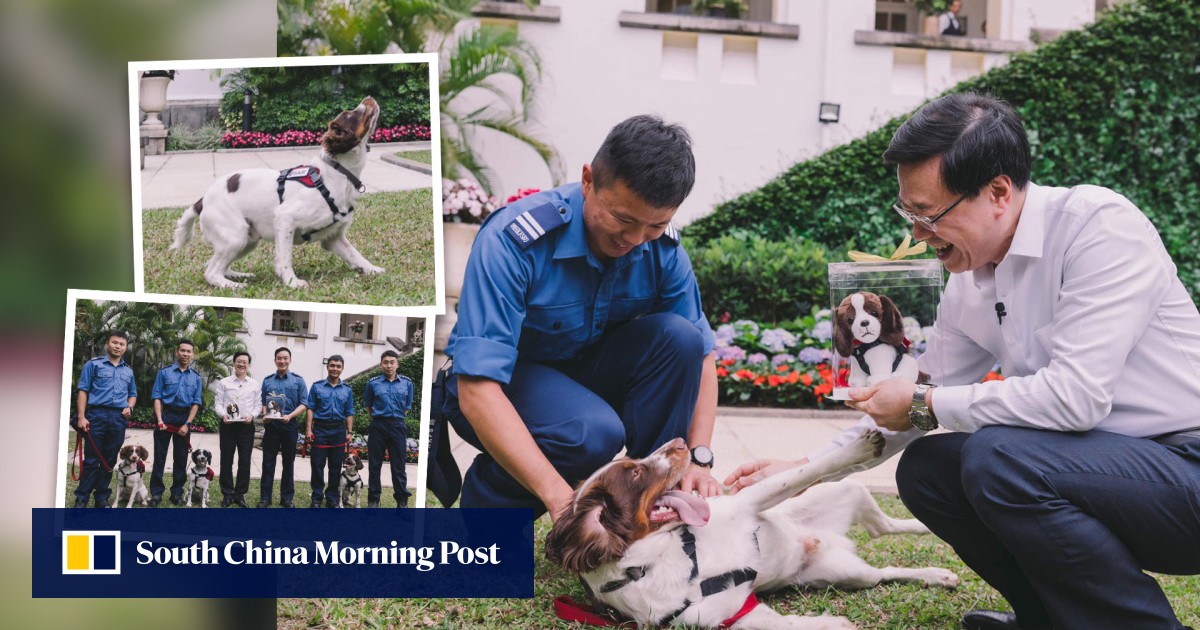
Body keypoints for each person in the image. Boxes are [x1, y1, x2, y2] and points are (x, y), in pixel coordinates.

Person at [725, 92, 1200, 630]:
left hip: (1186, 473)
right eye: (908, 213)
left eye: (928, 215)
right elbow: (920, 397)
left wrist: (925, 402)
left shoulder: (1098, 228)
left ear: (998, 191)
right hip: (1098, 473)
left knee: (1000, 457)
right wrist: (805, 471)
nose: (917, 235)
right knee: (930, 470)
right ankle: (1048, 619)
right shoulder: (969, 280)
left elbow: (1074, 399)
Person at [441, 114, 722, 520]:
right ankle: (488, 516)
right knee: (590, 433)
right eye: (623, 219)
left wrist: (697, 458)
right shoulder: (515, 242)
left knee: (679, 338)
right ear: (588, 180)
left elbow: (700, 355)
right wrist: (561, 500)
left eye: (655, 225)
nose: (635, 240)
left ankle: (644, 505)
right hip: (500, 384)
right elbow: (477, 389)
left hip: (581, 379)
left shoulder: (663, 251)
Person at [73, 331, 137, 508]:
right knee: (92, 459)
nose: (118, 346)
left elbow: (132, 394)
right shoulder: (93, 365)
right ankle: (82, 498)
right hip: (96, 416)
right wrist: (81, 416)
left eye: (121, 344)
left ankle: (101, 497)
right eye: (114, 342)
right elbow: (83, 390)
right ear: (107, 344)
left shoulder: (128, 371)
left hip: (118, 419)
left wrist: (129, 407)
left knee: (109, 460)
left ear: (125, 348)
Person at [149, 338, 203, 507]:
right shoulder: (164, 372)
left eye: (189, 351)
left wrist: (187, 424)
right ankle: (156, 493)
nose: (185, 354)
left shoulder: (196, 378)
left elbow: (196, 403)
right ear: (177, 352)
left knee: (181, 458)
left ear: (192, 355)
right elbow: (157, 397)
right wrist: (159, 420)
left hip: (184, 418)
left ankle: (176, 493)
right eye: (182, 350)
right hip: (166, 416)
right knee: (160, 457)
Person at [363, 350, 414, 508]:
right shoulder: (373, 383)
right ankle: (373, 500)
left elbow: (407, 407)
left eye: (392, 362)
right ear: (381, 364)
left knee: (399, 466)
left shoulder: (407, 383)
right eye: (386, 362)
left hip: (398, 425)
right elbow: (368, 406)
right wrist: (380, 418)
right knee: (374, 464)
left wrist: (394, 418)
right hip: (378, 425)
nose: (389, 365)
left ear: (397, 364)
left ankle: (401, 501)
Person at [257, 346, 307, 508]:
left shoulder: (298, 381)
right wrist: (265, 415)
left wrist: (290, 416)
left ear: (290, 360)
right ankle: (265, 498)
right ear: (275, 360)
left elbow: (304, 404)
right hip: (272, 426)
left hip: (290, 425)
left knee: (288, 462)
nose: (282, 361)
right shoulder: (268, 380)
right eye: (279, 358)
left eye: (285, 358)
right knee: (268, 462)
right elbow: (263, 402)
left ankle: (286, 498)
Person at [305, 354, 354, 508]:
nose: (335, 368)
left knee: (335, 467)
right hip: (320, 429)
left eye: (338, 366)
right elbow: (310, 408)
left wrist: (350, 432)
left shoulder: (347, 390)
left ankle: (332, 497)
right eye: (332, 365)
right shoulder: (317, 386)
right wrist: (308, 429)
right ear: (327, 367)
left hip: (338, 430)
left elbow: (349, 412)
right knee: (317, 465)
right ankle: (317, 497)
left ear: (342, 368)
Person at [213, 351, 259, 507]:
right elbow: (218, 403)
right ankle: (227, 493)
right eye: (238, 361)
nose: (241, 364)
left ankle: (240, 494)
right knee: (226, 460)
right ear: (233, 363)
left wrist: (252, 416)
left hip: (246, 427)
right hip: (228, 426)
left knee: (245, 461)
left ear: (248, 365)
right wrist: (222, 415)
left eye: (244, 362)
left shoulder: (254, 384)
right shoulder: (224, 383)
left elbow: (258, 405)